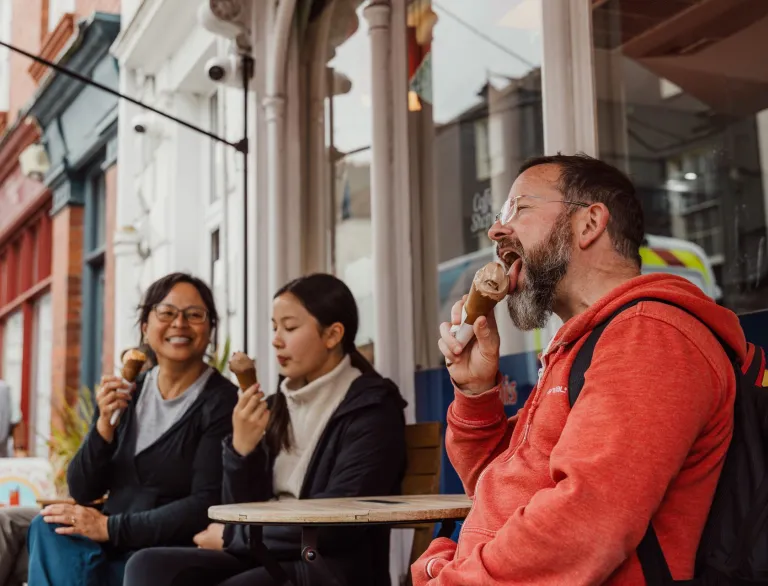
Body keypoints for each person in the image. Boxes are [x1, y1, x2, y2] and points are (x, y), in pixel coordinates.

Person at [414, 154, 747, 585]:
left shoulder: (650, 336)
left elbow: (585, 524)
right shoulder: (583, 345)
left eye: (520, 209)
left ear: (589, 223)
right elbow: (499, 489)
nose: (496, 230)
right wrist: (476, 393)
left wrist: (450, 577)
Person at [124, 273, 407, 586]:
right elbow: (241, 508)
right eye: (274, 327)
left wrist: (235, 537)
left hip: (325, 568)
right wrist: (241, 451)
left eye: (289, 327)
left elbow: (336, 525)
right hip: (267, 554)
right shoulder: (275, 406)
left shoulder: (371, 409)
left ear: (332, 335)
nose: (276, 339)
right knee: (148, 566)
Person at [26, 272, 238, 586]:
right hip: (110, 545)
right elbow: (83, 490)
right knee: (47, 526)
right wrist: (103, 427)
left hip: (165, 551)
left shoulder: (221, 402)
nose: (179, 323)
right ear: (145, 327)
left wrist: (110, 528)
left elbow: (204, 503)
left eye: (194, 315)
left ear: (209, 330)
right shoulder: (128, 391)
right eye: (166, 313)